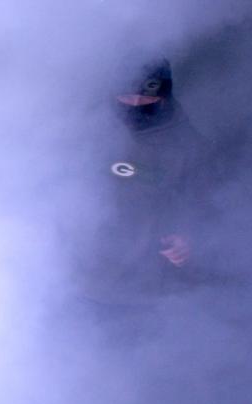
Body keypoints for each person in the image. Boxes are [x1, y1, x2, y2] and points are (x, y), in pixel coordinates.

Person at [70, 58, 212, 335]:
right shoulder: (87, 128)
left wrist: (189, 239)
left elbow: (210, 207)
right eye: (126, 97)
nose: (135, 105)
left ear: (164, 95)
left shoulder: (189, 146)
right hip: (77, 283)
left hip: (143, 294)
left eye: (145, 98)